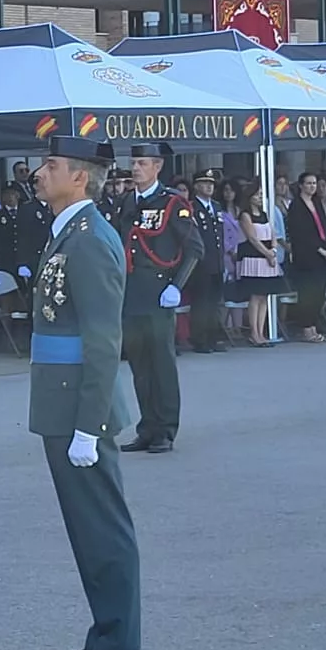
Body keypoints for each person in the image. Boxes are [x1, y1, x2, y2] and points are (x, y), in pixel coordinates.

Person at [29, 135, 140, 650]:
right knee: (87, 533)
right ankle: (106, 638)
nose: (39, 173)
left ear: (79, 176)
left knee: (103, 532)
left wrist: (90, 427)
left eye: (51, 165)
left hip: (80, 408)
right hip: (63, 402)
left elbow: (102, 337)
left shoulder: (90, 238)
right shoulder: (67, 233)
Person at [109, 143, 202, 454]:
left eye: (142, 163)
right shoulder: (127, 202)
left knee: (161, 364)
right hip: (131, 293)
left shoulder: (173, 204)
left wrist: (176, 285)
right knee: (140, 365)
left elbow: (194, 249)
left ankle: (165, 429)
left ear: (157, 167)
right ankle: (147, 427)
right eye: (134, 162)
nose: (136, 168)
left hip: (159, 293)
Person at [234, 183, 287, 348]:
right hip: (253, 258)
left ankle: (262, 332)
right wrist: (266, 253)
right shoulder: (245, 215)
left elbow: (272, 234)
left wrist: (273, 251)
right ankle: (254, 333)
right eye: (257, 194)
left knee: (264, 296)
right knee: (255, 297)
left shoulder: (264, 214)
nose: (259, 198)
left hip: (267, 259)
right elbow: (253, 239)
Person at [284, 173, 326, 343]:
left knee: (320, 292)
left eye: (314, 183)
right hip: (307, 256)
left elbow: (325, 226)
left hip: (322, 256)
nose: (312, 186)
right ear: (301, 186)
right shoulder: (296, 206)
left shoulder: (317, 203)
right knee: (308, 293)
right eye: (308, 183)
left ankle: (313, 327)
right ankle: (306, 328)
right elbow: (301, 233)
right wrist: (320, 249)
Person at [184, 169, 228, 353]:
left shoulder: (216, 207)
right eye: (204, 183)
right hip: (201, 263)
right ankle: (200, 339)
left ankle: (212, 337)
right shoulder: (191, 208)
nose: (209, 187)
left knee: (214, 302)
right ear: (196, 186)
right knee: (201, 303)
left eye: (211, 184)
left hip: (217, 261)